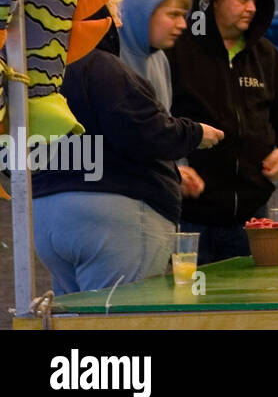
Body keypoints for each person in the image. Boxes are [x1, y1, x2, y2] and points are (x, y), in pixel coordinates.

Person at [32, 47, 224, 294]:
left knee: (74, 318)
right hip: (114, 217)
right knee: (120, 315)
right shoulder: (101, 66)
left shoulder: (35, 69)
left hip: (46, 216)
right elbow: (143, 131)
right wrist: (195, 133)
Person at [169, 0, 278, 265]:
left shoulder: (267, 57)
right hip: (189, 220)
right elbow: (154, 119)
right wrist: (173, 165)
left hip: (252, 217)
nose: (251, 8)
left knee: (254, 305)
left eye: (255, 1)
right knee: (190, 308)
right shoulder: (177, 52)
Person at [120, 0, 206, 200]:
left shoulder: (160, 59)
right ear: (144, 10)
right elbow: (129, 135)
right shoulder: (110, 58)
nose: (182, 25)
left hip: (154, 195)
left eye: (184, 16)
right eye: (173, 15)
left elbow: (165, 122)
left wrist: (179, 168)